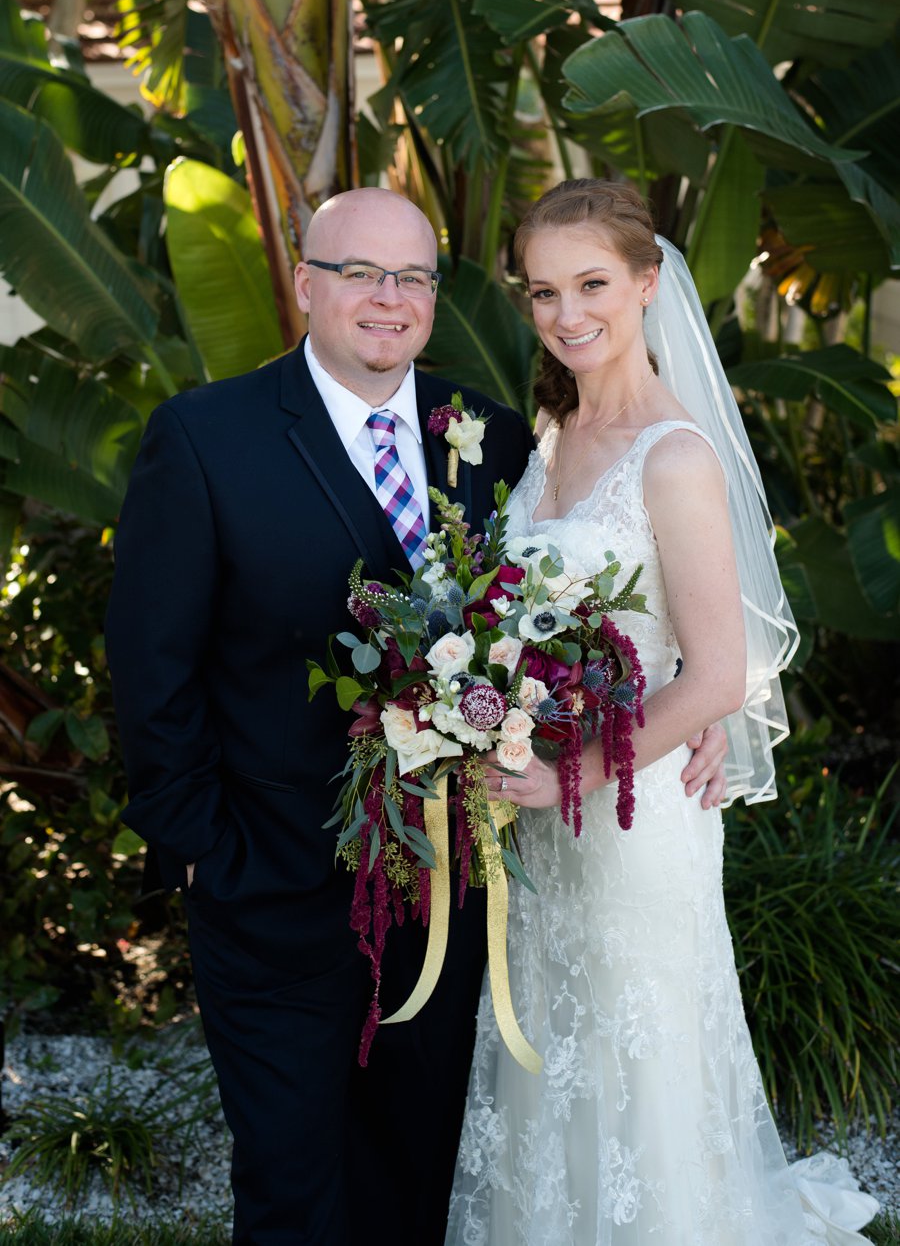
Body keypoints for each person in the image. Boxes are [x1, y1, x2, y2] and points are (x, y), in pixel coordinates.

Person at [105, 186, 728, 1246]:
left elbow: (574, 618)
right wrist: (202, 849)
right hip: (274, 887)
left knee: (420, 1181)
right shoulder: (207, 438)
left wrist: (668, 703)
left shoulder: (483, 433)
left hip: (465, 888)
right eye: (358, 272)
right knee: (295, 1188)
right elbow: (147, 664)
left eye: (413, 277)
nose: (387, 299)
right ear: (305, 283)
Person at [445, 179, 879, 1246]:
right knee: (549, 1045)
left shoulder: (673, 456)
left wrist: (569, 771)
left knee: (637, 1061)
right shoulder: (549, 433)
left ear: (647, 284)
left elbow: (717, 674)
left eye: (591, 283)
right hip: (541, 807)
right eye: (543, 290)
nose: (565, 313)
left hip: (630, 813)